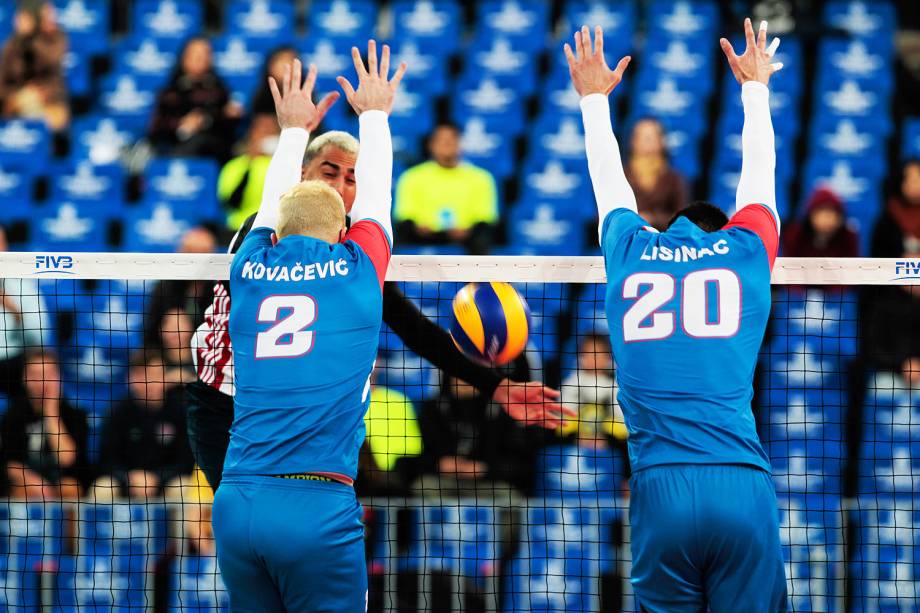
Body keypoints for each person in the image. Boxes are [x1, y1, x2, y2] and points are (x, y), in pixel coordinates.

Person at [188, 112, 569, 498]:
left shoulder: (352, 253)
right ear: (302, 174)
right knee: (244, 529)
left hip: (301, 416)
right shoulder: (264, 229)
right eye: (329, 171)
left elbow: (414, 328)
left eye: (351, 178)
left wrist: (495, 386)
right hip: (228, 403)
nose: (338, 185)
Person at [565, 21, 788, 611]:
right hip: (738, 477)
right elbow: (760, 179)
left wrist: (592, 99)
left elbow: (609, 186)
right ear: (729, 230)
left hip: (660, 488)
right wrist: (755, 87)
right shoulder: (746, 254)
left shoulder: (634, 251)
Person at [212, 47, 403, 611]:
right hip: (315, 503)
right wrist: (375, 115)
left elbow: (269, 208)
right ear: (342, 228)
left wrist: (291, 131)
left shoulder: (248, 268)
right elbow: (377, 199)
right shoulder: (357, 273)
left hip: (238, 499)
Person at [94, 350, 194, 500]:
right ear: (131, 379)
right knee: (102, 488)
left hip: (166, 482)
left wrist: (157, 478)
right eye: (144, 375)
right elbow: (106, 461)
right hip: (125, 483)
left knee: (184, 487)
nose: (151, 381)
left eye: (157, 375)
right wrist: (129, 478)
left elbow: (186, 462)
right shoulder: (117, 412)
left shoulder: (180, 412)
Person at [394, 122, 499, 253]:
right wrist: (419, 227)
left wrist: (466, 230)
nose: (447, 145)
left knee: (482, 237)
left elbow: (485, 217)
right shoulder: (411, 177)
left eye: (451, 140)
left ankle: (479, 273)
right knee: (399, 235)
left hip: (466, 238)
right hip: (423, 236)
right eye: (441, 140)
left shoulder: (481, 178)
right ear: (431, 145)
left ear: (460, 143)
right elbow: (404, 215)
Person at [1, 350, 89, 500]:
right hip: (29, 480)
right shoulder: (14, 414)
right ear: (25, 379)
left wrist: (51, 412)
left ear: (58, 378)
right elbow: (10, 463)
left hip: (62, 478)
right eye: (35, 376)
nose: (41, 382)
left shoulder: (75, 414)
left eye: (47, 375)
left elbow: (66, 459)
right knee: (22, 492)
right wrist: (35, 483)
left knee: (69, 488)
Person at [148, 36, 242, 161]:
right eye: (195, 54)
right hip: (177, 148)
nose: (200, 58)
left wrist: (208, 120)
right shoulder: (170, 92)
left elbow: (229, 127)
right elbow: (156, 129)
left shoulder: (220, 89)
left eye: (205, 54)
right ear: (184, 58)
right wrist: (182, 124)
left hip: (215, 151)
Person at [0, 224, 52, 398]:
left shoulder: (24, 286)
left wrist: (14, 311)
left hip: (14, 362)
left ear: (7, 246)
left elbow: (39, 338)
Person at [0, 2, 69, 130]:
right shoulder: (10, 45)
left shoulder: (55, 40)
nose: (19, 21)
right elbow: (2, 83)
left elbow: (50, 65)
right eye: (19, 17)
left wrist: (30, 37)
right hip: (16, 101)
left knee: (51, 116)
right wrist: (16, 97)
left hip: (48, 101)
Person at [560, 333, 626, 445]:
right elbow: (564, 416)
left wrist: (604, 438)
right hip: (575, 441)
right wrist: (579, 436)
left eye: (598, 353)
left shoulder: (614, 386)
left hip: (608, 444)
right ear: (581, 357)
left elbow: (620, 419)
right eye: (588, 353)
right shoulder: (572, 383)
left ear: (608, 358)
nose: (594, 358)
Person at [218, 114, 281, 231]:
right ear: (252, 134)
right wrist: (251, 163)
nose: (267, 136)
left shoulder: (284, 165)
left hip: (274, 229)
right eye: (263, 131)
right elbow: (231, 203)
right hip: (239, 227)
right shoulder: (234, 166)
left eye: (272, 132)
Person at [625, 118, 688, 231]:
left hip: (662, 241)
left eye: (652, 137)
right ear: (633, 141)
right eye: (643, 137)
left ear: (662, 141)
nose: (648, 141)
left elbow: (682, 218)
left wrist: (653, 219)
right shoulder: (621, 176)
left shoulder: (673, 178)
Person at [782, 187, 859, 258]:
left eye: (834, 213)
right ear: (811, 215)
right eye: (822, 211)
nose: (828, 219)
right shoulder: (795, 235)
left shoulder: (848, 237)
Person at [871, 158, 920, 258]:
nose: (915, 184)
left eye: (919, 178)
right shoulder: (889, 216)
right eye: (909, 179)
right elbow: (877, 256)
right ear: (900, 182)